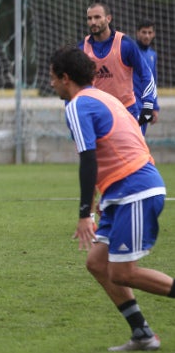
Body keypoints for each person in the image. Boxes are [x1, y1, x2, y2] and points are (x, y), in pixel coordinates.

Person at [49, 45, 175, 351]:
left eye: (52, 77)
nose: (50, 83)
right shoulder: (103, 97)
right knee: (97, 263)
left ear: (65, 78)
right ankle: (142, 334)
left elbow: (88, 159)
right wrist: (101, 200)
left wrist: (83, 214)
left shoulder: (78, 106)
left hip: (134, 189)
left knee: (122, 272)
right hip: (125, 191)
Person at [78, 2, 157, 135]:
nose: (93, 22)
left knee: (135, 155)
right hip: (98, 114)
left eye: (97, 17)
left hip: (127, 112)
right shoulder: (82, 48)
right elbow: (76, 84)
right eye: (89, 18)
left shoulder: (125, 44)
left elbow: (146, 74)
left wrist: (149, 105)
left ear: (108, 18)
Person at [134, 19, 160, 132]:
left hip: (146, 105)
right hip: (132, 104)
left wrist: (155, 107)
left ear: (153, 34)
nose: (147, 36)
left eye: (150, 33)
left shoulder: (152, 54)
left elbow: (153, 81)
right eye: (144, 32)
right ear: (137, 33)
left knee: (140, 137)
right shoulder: (131, 51)